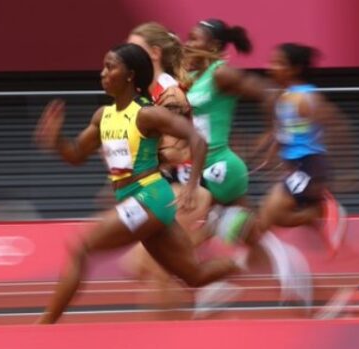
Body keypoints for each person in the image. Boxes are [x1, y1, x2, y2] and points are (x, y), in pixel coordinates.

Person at [34, 43, 240, 324]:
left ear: (130, 75)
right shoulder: (103, 117)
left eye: (110, 67)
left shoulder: (146, 114)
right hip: (139, 202)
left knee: (80, 246)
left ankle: (44, 325)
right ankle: (244, 264)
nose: (103, 73)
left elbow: (197, 140)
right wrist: (56, 141)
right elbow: (76, 155)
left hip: (149, 198)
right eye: (103, 67)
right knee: (195, 275)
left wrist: (192, 186)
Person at [183, 19, 312, 308]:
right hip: (201, 164)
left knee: (198, 228)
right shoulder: (193, 76)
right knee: (242, 229)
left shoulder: (221, 74)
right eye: (187, 38)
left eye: (195, 39)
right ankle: (286, 269)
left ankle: (218, 283)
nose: (188, 43)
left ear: (214, 47)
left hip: (219, 166)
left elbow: (267, 93)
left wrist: (275, 133)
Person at [121, 22, 213, 310]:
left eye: (135, 48)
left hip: (184, 189)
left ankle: (169, 337)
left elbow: (179, 150)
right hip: (162, 187)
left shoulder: (169, 94)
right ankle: (206, 298)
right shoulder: (144, 92)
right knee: (135, 266)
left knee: (154, 269)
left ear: (155, 53)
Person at [255, 43, 355, 254]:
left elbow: (338, 125)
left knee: (269, 215)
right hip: (296, 167)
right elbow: (284, 133)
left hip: (309, 166)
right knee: (271, 216)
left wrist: (348, 169)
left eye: (278, 63)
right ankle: (316, 216)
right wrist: (270, 154)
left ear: (295, 69)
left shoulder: (305, 98)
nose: (270, 67)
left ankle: (321, 209)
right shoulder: (283, 97)